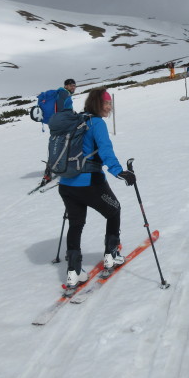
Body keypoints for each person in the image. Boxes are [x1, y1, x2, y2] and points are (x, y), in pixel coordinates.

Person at [57, 88, 136, 288]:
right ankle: (111, 254)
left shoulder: (76, 121)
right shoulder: (96, 123)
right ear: (96, 104)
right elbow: (105, 149)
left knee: (76, 224)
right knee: (114, 210)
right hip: (89, 182)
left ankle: (73, 272)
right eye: (106, 103)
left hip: (66, 184)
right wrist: (119, 171)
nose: (109, 107)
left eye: (110, 103)